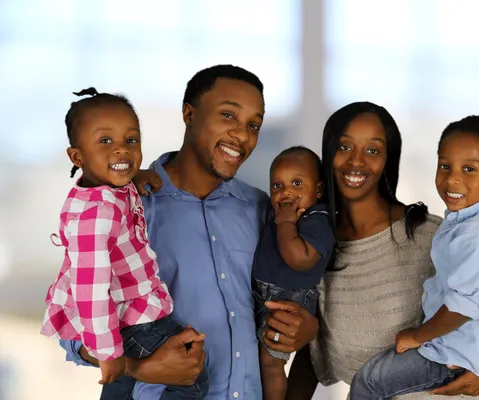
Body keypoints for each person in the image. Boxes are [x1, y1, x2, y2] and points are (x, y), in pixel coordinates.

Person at [59, 65, 319, 400]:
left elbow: (296, 294)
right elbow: (72, 328)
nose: (243, 135)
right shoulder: (126, 207)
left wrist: (307, 329)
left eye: (253, 125)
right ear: (189, 114)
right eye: (228, 115)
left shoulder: (264, 211)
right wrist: (136, 367)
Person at [285, 102, 479, 400]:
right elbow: (310, 353)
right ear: (328, 153)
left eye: (372, 150)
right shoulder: (314, 248)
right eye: (344, 147)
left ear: (388, 160)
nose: (356, 162)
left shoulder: (429, 237)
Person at [349, 115, 479, 399]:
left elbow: (461, 307)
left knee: (370, 382)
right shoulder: (476, 225)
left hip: (457, 357)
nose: (452, 178)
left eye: (469, 169)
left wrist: (418, 336)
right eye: (445, 166)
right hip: (460, 350)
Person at [41, 87, 209, 399]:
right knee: (192, 377)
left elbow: (116, 172)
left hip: (125, 313)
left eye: (131, 141)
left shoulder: (103, 188)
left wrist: (135, 176)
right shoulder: (97, 216)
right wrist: (108, 352)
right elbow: (90, 290)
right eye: (106, 141)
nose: (122, 151)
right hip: (126, 319)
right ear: (77, 156)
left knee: (121, 387)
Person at [252, 146, 335, 400]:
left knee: (271, 363)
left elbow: (300, 259)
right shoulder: (279, 214)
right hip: (264, 294)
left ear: (318, 190)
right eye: (277, 186)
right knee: (259, 359)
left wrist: (286, 223)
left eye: (297, 183)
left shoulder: (318, 219)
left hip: (288, 300)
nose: (286, 192)